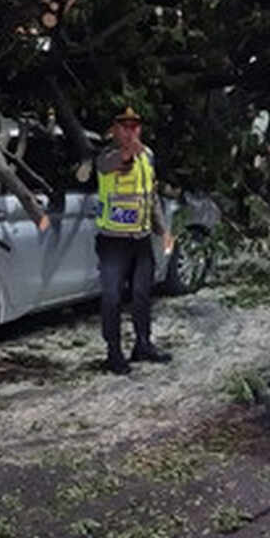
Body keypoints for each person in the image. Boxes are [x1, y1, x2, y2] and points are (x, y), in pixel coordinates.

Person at [95, 107, 174, 374]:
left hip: (140, 238)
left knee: (142, 294)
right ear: (114, 129)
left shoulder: (148, 156)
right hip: (113, 240)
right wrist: (131, 148)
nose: (130, 131)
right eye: (124, 126)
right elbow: (120, 160)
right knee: (112, 298)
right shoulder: (106, 156)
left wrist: (162, 230)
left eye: (135, 126)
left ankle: (142, 343)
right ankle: (113, 352)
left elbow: (149, 196)